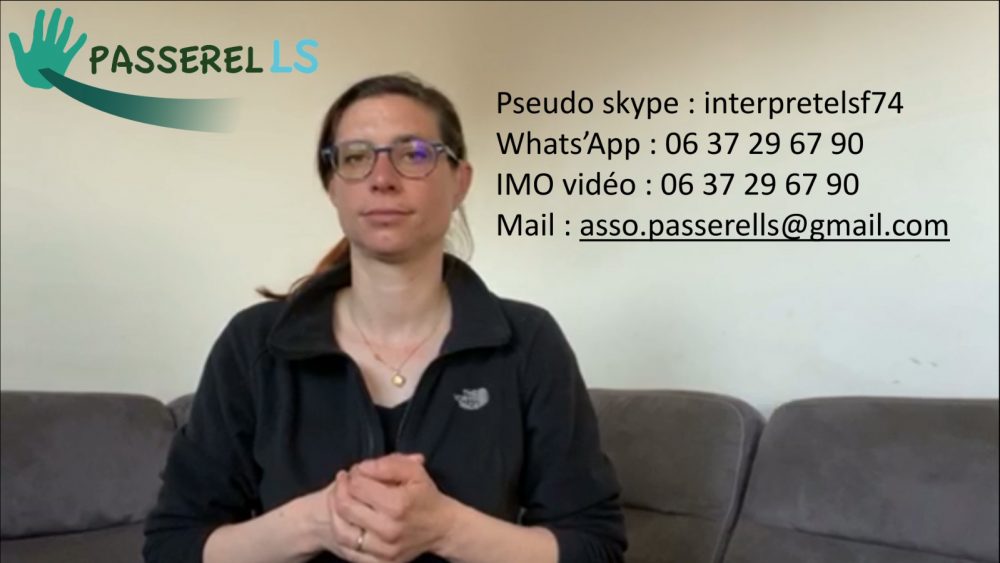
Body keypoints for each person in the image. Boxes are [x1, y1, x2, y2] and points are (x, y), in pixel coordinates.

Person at [143, 73, 626, 563]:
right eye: (355, 157)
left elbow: (596, 547)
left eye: (413, 154)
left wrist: (446, 529)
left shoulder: (529, 342)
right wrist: (315, 522)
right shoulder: (253, 344)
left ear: (459, 182)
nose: (382, 178)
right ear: (333, 186)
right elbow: (173, 546)